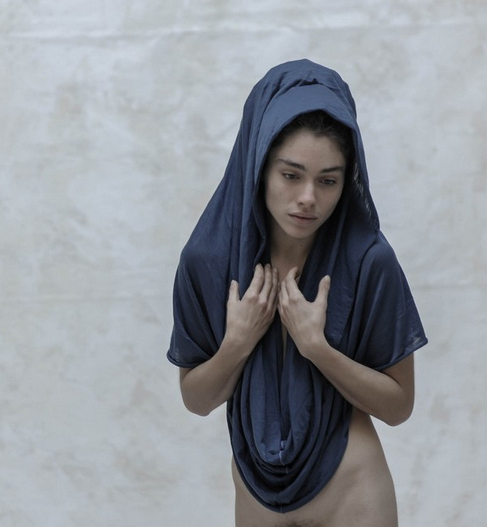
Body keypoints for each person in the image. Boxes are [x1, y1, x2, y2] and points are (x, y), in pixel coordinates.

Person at [166, 59, 428, 527]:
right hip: (256, 497)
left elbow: (398, 406)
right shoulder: (207, 260)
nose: (308, 197)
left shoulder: (369, 261)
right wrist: (237, 342)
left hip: (353, 491)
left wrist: (316, 347)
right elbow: (196, 399)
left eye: (328, 180)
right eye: (291, 175)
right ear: (260, 167)